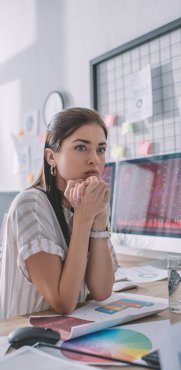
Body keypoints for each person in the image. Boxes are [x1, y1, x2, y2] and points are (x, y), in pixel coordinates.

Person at [0, 107, 118, 319]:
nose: (94, 159)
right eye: (81, 147)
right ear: (51, 157)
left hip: (74, 335)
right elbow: (63, 303)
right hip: (29, 340)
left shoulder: (86, 203)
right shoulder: (30, 205)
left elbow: (101, 292)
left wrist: (99, 220)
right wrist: (83, 219)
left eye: (100, 149)